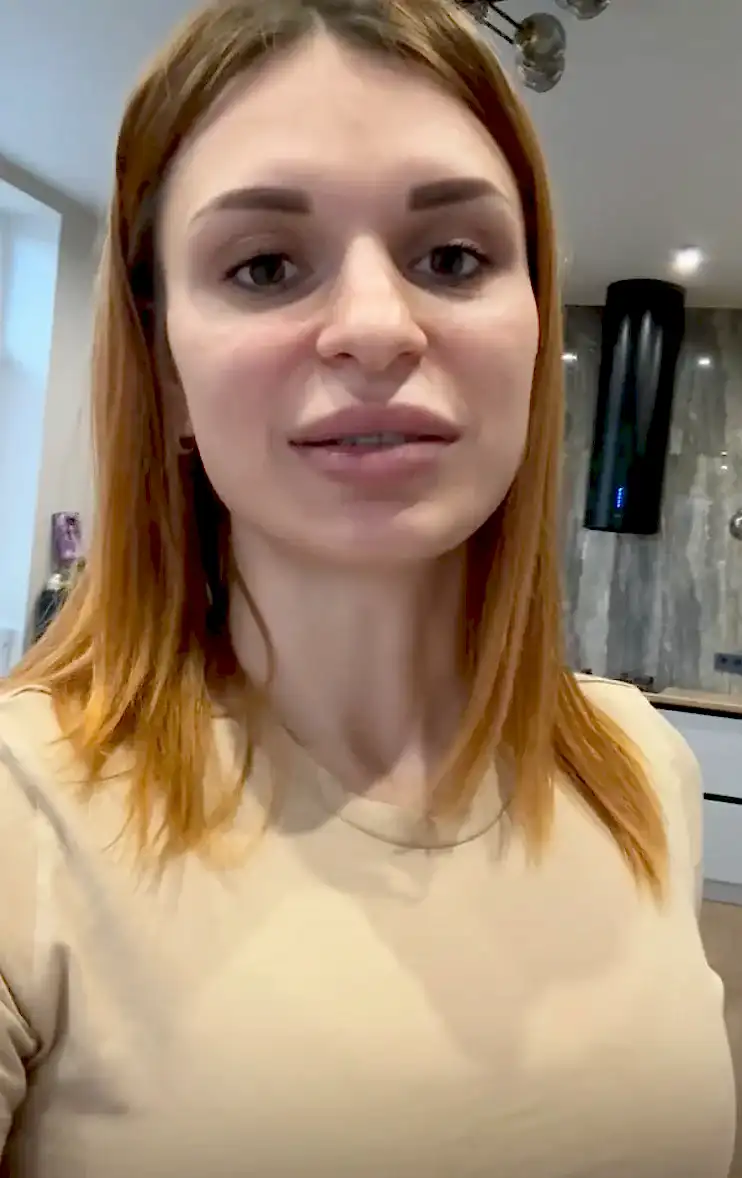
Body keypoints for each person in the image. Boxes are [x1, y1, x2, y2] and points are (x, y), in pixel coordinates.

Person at [0, 0, 735, 1174]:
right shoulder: (24, 814)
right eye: (264, 266)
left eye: (451, 258)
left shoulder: (644, 769)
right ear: (166, 368)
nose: (378, 328)